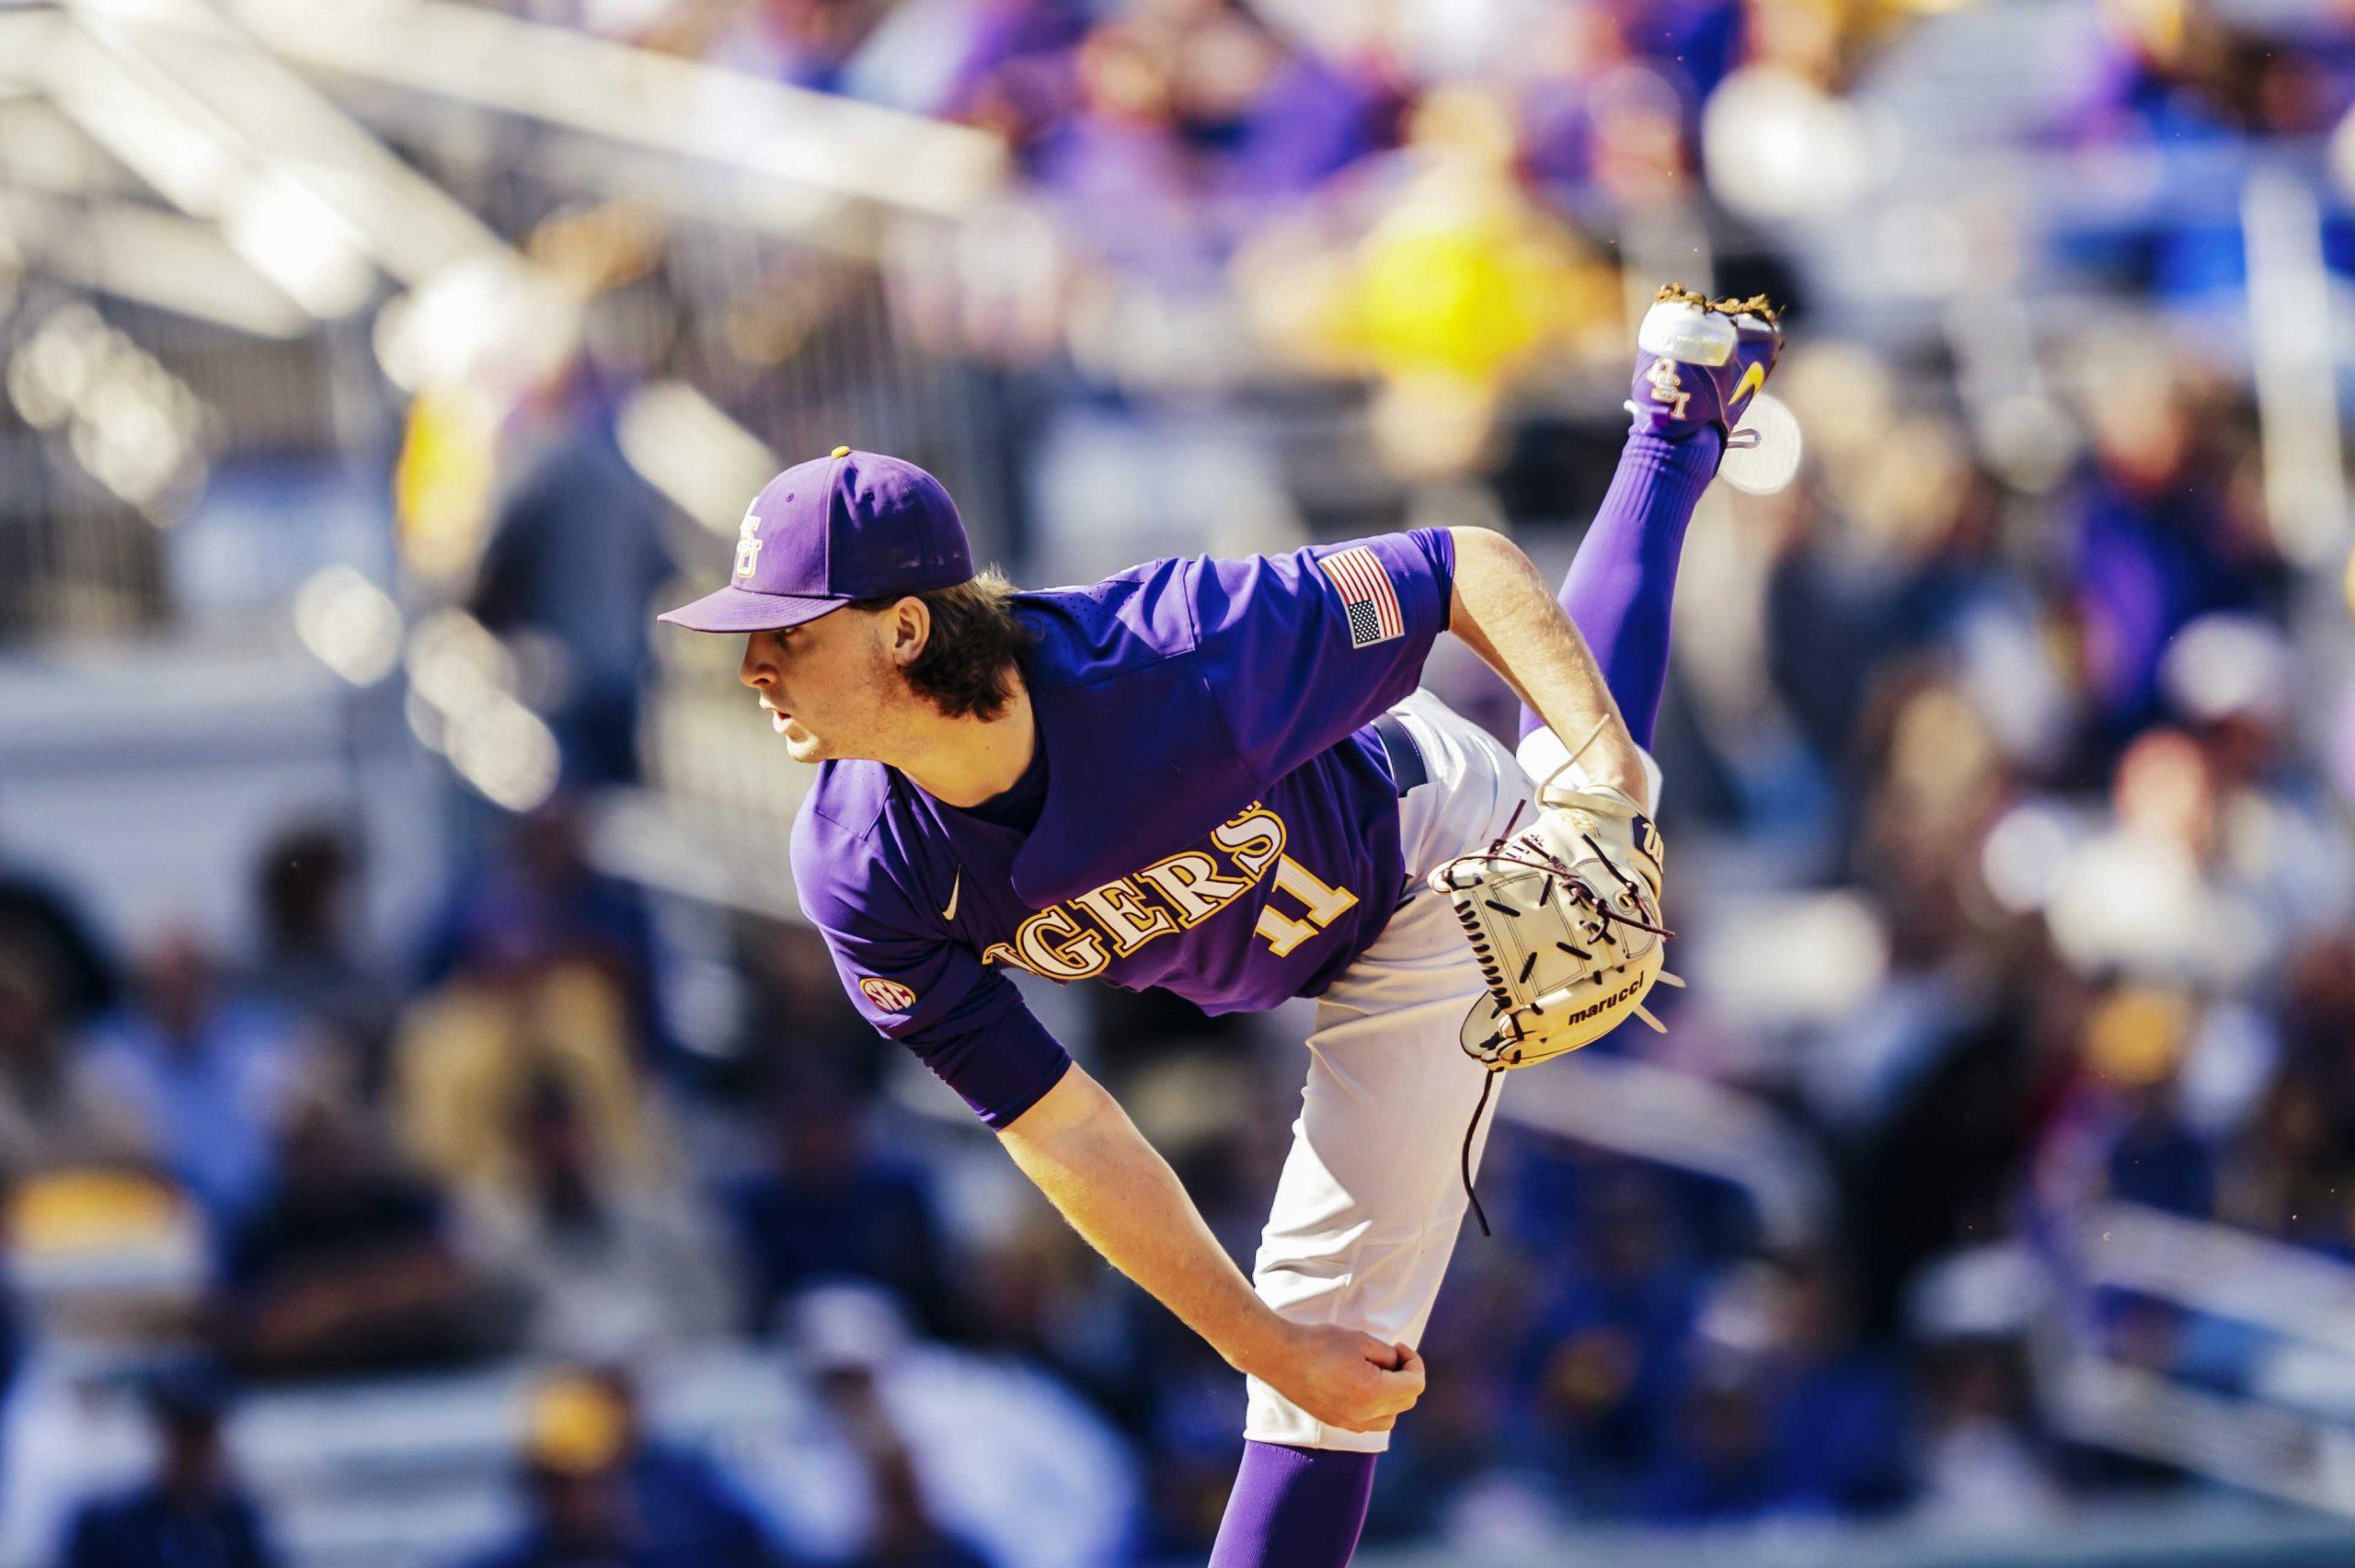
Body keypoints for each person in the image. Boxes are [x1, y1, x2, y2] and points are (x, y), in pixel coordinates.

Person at [654, 285, 1779, 1567]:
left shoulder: (1167, 659)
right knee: (1284, 1346)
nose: (752, 668)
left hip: (1416, 858)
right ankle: (1678, 424)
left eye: (784, 635)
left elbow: (1464, 567)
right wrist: (1249, 1330)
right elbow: (1061, 1124)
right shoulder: (862, 868)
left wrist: (1604, 783)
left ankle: (1665, 442)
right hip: (1295, 940)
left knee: (1324, 1356)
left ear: (906, 629)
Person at [56, 1367, 282, 1568]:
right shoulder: (107, 1527)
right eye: (182, 1439)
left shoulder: (236, 1524)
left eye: (201, 1438)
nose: (193, 1454)